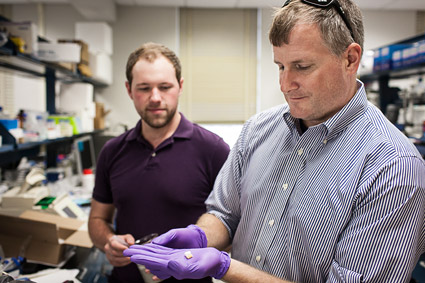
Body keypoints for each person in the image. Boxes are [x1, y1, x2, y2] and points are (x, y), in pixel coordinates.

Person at [123, 0, 425, 282]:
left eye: (302, 67)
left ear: (350, 58)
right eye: (280, 66)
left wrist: (225, 267)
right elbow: (224, 215)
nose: (284, 84)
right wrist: (201, 236)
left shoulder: (393, 167)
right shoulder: (259, 129)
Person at [88, 42, 230, 283]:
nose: (155, 98)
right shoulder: (112, 151)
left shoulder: (213, 149)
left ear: (180, 86)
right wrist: (108, 242)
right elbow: (97, 219)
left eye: (165, 87)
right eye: (144, 88)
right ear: (129, 90)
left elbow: (232, 226)